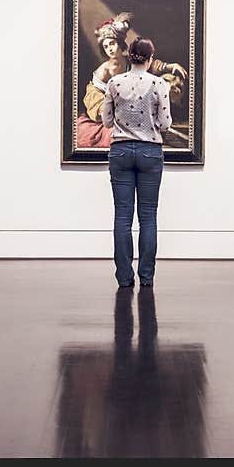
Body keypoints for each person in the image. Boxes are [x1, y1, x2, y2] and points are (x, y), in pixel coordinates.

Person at [102, 37, 171, 287]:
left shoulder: (114, 83)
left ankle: (124, 278)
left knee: (122, 216)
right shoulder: (158, 83)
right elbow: (165, 123)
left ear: (129, 56)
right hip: (150, 152)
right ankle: (147, 276)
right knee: (148, 217)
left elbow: (107, 121)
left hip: (120, 151)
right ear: (150, 58)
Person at [76, 12, 186, 148]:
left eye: (112, 44)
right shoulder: (104, 70)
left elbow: (149, 65)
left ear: (120, 43)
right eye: (106, 46)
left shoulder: (130, 60)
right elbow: (94, 96)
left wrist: (170, 66)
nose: (110, 49)